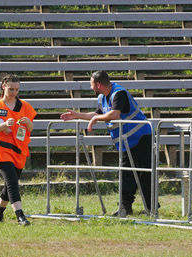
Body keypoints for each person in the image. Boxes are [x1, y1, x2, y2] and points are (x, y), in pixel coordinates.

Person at [60, 71, 153, 216]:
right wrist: (77, 115)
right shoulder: (102, 97)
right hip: (127, 140)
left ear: (98, 84)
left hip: (140, 137)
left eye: (91, 84)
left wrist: (96, 120)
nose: (91, 88)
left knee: (144, 174)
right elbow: (98, 114)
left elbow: (114, 114)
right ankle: (126, 207)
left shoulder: (119, 93)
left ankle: (149, 208)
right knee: (127, 173)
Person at [0, 74, 36, 226]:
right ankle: (20, 215)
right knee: (12, 183)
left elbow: (31, 129)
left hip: (19, 151)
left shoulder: (25, 106)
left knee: (9, 186)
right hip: (1, 150)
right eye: (11, 89)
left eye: (16, 89)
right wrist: (4, 125)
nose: (14, 92)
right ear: (3, 86)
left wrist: (28, 123)